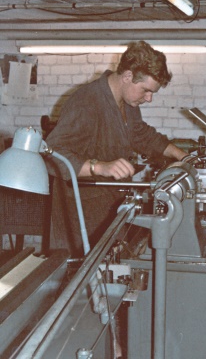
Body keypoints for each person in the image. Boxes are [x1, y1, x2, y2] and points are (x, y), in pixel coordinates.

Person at [45, 40, 187, 258]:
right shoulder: (87, 102)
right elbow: (52, 153)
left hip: (111, 209)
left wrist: (181, 156)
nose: (149, 98)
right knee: (81, 283)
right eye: (146, 90)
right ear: (128, 76)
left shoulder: (127, 103)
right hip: (82, 218)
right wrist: (99, 167)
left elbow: (140, 134)